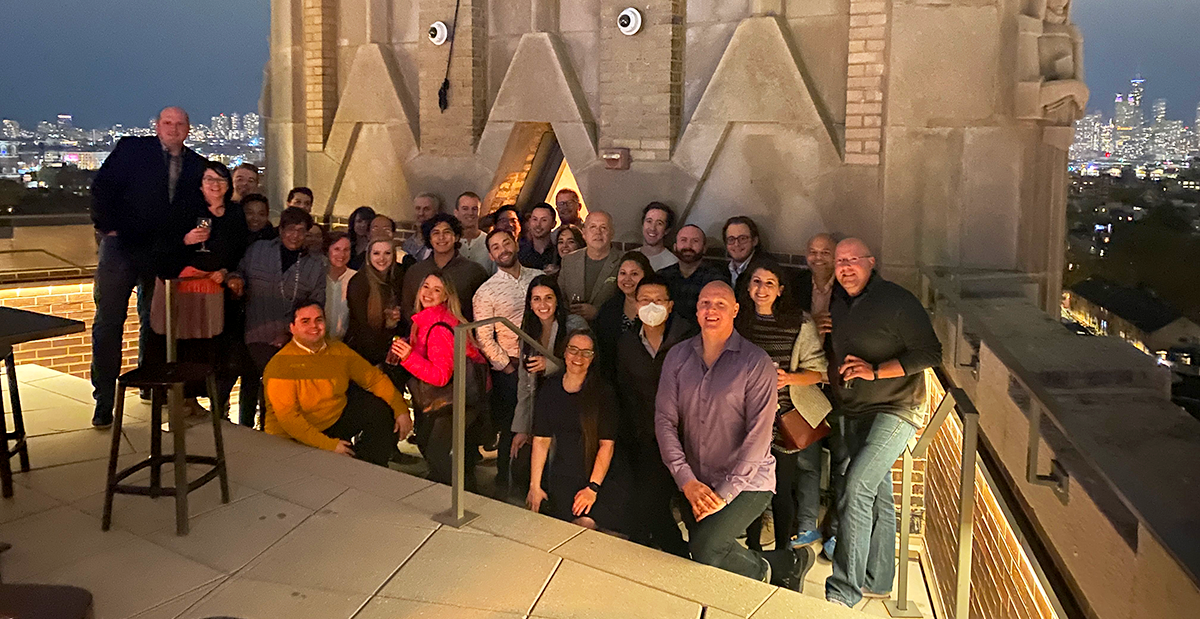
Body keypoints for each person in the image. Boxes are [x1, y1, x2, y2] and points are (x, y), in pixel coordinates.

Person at [655, 281, 816, 589]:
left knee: (705, 549)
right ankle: (784, 564)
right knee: (708, 552)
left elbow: (758, 438)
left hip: (748, 482)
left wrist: (725, 493)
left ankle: (766, 569)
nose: (711, 310)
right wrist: (686, 480)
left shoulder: (756, 363)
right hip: (696, 480)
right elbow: (664, 420)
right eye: (705, 304)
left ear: (735, 310)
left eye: (719, 304)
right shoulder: (677, 357)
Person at [824, 238, 942, 609]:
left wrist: (875, 372)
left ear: (871, 262)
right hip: (855, 409)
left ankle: (842, 591)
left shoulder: (896, 300)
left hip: (896, 407)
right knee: (878, 494)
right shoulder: (840, 301)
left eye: (852, 260)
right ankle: (878, 579)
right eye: (839, 261)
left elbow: (930, 353)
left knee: (856, 486)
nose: (845, 267)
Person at [89, 106, 206, 428]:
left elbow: (199, 207)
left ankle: (148, 383)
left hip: (161, 253)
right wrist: (108, 228)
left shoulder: (196, 164)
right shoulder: (132, 148)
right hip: (121, 247)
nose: (173, 128)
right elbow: (101, 188)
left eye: (180, 123)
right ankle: (104, 399)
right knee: (109, 322)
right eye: (168, 123)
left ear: (188, 129)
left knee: (152, 323)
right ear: (157, 126)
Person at [735, 263, 829, 555]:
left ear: (780, 290)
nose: (761, 290)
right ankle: (751, 546)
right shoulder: (739, 319)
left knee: (781, 486)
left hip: (783, 415)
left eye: (769, 284)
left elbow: (820, 371)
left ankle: (782, 551)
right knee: (748, 483)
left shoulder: (798, 322)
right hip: (743, 415)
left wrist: (788, 378)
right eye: (756, 282)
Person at [147, 161, 249, 418]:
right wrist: (186, 240)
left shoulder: (235, 213)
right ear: (201, 184)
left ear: (228, 185)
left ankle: (195, 399)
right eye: (209, 179)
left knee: (205, 345)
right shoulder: (185, 209)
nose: (215, 185)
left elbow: (238, 248)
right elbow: (161, 244)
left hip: (213, 286)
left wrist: (225, 271)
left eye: (220, 180)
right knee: (180, 343)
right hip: (183, 285)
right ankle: (176, 398)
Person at [262, 301, 413, 467]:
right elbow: (289, 419)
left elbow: (374, 378)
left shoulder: (338, 349)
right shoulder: (281, 365)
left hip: (332, 419)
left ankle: (370, 469)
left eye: (319, 320)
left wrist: (401, 409)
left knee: (381, 410)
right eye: (305, 321)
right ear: (292, 328)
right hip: (292, 436)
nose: (314, 326)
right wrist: (330, 445)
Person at [614, 274, 695, 557]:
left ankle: (692, 556)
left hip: (685, 436)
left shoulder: (689, 340)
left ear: (670, 305)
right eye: (645, 300)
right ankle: (669, 553)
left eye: (658, 300)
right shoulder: (626, 343)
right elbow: (623, 389)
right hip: (643, 435)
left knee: (681, 505)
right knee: (647, 502)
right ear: (635, 305)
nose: (651, 306)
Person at [226, 207, 327, 428]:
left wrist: (289, 333)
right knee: (258, 379)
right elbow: (239, 271)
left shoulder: (315, 264)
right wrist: (236, 280)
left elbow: (317, 303)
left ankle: (272, 429)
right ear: (280, 230)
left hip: (294, 338)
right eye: (290, 229)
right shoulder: (258, 250)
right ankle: (248, 427)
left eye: (301, 231)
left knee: (280, 385)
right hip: (257, 330)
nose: (295, 236)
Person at [393, 272, 489, 485]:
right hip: (456, 399)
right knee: (440, 451)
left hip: (451, 401)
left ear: (446, 296)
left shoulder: (438, 329)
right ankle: (456, 489)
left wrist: (408, 357)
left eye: (437, 290)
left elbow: (440, 376)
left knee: (436, 452)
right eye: (426, 286)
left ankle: (452, 497)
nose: (428, 293)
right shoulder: (428, 319)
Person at [528, 330, 627, 531]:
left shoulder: (604, 392)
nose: (578, 357)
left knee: (584, 524)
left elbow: (606, 445)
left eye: (586, 352)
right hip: (563, 473)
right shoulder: (550, 388)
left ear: (593, 358)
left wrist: (592, 488)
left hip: (601, 476)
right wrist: (534, 486)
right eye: (573, 350)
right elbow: (541, 440)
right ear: (564, 353)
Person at [473, 229, 543, 496]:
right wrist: (509, 367)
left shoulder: (539, 278)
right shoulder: (486, 292)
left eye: (506, 243)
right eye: (495, 247)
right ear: (491, 254)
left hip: (542, 360)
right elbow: (485, 338)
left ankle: (536, 479)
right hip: (511, 368)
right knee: (512, 425)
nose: (502, 249)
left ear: (515, 244)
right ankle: (506, 478)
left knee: (540, 422)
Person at [511, 275, 587, 491]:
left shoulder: (574, 325)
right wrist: (521, 427)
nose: (542, 305)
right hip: (540, 404)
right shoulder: (528, 329)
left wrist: (551, 365)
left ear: (557, 300)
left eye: (548, 298)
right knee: (518, 459)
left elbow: (587, 364)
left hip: (571, 403)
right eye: (536, 299)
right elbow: (523, 383)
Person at [401, 212, 490, 322]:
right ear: (429, 238)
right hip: (421, 335)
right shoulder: (415, 271)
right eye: (435, 233)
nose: (441, 237)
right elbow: (407, 309)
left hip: (460, 336)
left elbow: (483, 312)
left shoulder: (474, 271)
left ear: (456, 237)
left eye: (446, 232)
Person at [345, 239, 406, 372]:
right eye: (376, 253)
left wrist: (397, 318)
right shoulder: (359, 282)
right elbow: (361, 326)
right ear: (369, 256)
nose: (382, 258)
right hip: (363, 353)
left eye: (387, 253)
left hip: (392, 352)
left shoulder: (399, 278)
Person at [593, 251, 652, 380]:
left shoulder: (654, 309)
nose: (627, 279)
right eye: (623, 273)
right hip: (612, 379)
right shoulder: (609, 308)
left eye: (634, 274)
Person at [658, 224, 727, 326]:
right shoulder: (661, 277)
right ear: (675, 246)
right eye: (683, 240)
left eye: (695, 241)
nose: (688, 246)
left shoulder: (716, 279)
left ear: (704, 248)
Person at [558, 211, 620, 322]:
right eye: (593, 227)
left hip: (611, 330)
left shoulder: (623, 262)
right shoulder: (569, 261)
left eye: (603, 228)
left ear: (612, 233)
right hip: (573, 329)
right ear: (584, 233)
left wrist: (598, 312)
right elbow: (560, 297)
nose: (598, 233)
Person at [324, 231, 355, 340]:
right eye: (336, 249)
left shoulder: (355, 278)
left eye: (346, 250)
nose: (342, 255)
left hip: (344, 342)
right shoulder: (318, 276)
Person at [454, 192, 494, 272]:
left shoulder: (490, 242)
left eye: (474, 209)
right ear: (456, 213)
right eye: (465, 209)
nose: (470, 213)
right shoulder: (448, 242)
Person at [724, 216, 762, 291]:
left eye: (742, 238)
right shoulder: (721, 270)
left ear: (754, 241)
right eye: (731, 239)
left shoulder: (765, 271)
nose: (736, 244)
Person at [402, 192, 442, 264]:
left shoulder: (440, 243)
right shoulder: (407, 244)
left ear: (436, 212)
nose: (421, 213)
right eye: (418, 208)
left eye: (426, 209)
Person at [637, 202, 678, 271]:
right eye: (649, 221)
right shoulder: (629, 257)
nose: (652, 228)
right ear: (642, 224)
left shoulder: (672, 263)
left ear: (666, 230)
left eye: (659, 223)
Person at [519, 202, 557, 271]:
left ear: (553, 224)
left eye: (544, 220)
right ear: (530, 222)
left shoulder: (558, 253)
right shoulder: (520, 254)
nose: (538, 225)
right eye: (535, 219)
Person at [346, 206, 377, 271]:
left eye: (366, 222)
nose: (363, 225)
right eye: (359, 221)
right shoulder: (348, 243)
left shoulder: (374, 246)